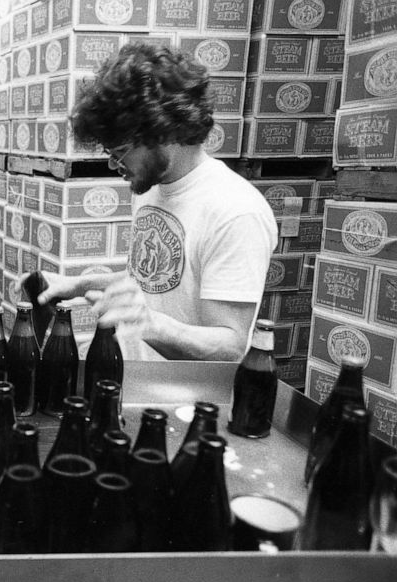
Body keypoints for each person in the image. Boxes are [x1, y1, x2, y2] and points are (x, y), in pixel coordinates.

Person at [29, 43, 277, 361]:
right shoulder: (153, 187)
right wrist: (73, 285)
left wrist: (149, 324)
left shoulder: (236, 212)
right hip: (134, 385)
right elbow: (154, 283)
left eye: (118, 152)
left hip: (185, 406)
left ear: (160, 132)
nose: (112, 164)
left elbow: (232, 345)